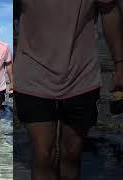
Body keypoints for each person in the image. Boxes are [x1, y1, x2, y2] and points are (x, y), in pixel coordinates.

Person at [14, 1, 123, 180]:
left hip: (81, 74)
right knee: (43, 155)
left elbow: (109, 9)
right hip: (32, 72)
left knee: (72, 154)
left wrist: (119, 65)